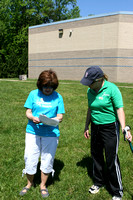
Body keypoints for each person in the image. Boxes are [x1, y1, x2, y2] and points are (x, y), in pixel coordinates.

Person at [80, 66, 132, 200]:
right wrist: (87, 126)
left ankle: (117, 191)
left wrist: (123, 127)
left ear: (99, 79)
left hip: (110, 128)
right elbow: (90, 109)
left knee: (111, 159)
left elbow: (119, 109)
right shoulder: (89, 91)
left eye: (90, 82)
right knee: (96, 155)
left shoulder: (112, 89)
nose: (89, 85)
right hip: (95, 127)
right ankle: (98, 182)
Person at [19, 69, 65, 198]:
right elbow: (28, 111)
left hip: (51, 133)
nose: (48, 89)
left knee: (47, 159)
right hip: (33, 131)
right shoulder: (33, 94)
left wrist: (55, 120)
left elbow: (60, 115)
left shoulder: (58, 97)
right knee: (30, 157)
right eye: (45, 86)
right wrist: (32, 117)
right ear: (40, 84)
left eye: (51, 86)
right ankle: (29, 184)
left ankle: (43, 186)